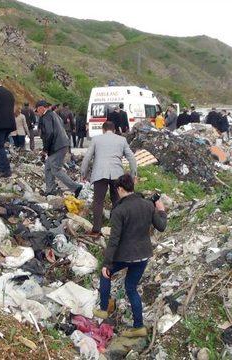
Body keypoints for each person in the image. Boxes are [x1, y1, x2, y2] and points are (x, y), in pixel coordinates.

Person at [93, 173, 167, 338]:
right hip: (143, 255)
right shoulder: (148, 205)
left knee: (105, 274)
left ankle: (104, 309)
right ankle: (138, 326)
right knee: (131, 288)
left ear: (119, 189)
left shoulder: (119, 210)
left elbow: (114, 240)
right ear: (132, 187)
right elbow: (161, 226)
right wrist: (161, 210)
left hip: (124, 255)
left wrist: (107, 263)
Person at [81, 121, 137, 237]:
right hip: (117, 174)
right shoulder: (121, 140)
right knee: (116, 200)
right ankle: (116, 228)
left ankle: (96, 230)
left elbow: (87, 157)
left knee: (98, 201)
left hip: (100, 173)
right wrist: (133, 174)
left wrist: (83, 173)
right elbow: (131, 157)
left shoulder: (96, 139)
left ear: (103, 130)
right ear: (115, 129)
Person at [36, 100, 83, 197]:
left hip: (57, 146)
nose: (37, 113)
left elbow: (49, 133)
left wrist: (45, 149)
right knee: (48, 167)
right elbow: (61, 124)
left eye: (37, 110)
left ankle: (75, 187)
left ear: (41, 108)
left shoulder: (46, 117)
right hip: (61, 143)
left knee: (56, 170)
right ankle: (50, 190)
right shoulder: (53, 114)